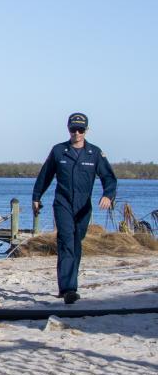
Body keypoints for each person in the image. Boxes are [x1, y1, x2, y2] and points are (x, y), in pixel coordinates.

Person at [32, 112, 117, 304]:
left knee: (76, 244)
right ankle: (69, 289)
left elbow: (109, 178)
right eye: (73, 129)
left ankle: (68, 284)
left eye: (80, 129)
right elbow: (45, 176)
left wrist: (108, 194)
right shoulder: (58, 151)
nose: (76, 133)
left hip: (83, 206)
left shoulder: (94, 153)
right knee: (66, 241)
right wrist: (36, 197)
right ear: (68, 129)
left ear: (86, 130)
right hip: (62, 203)